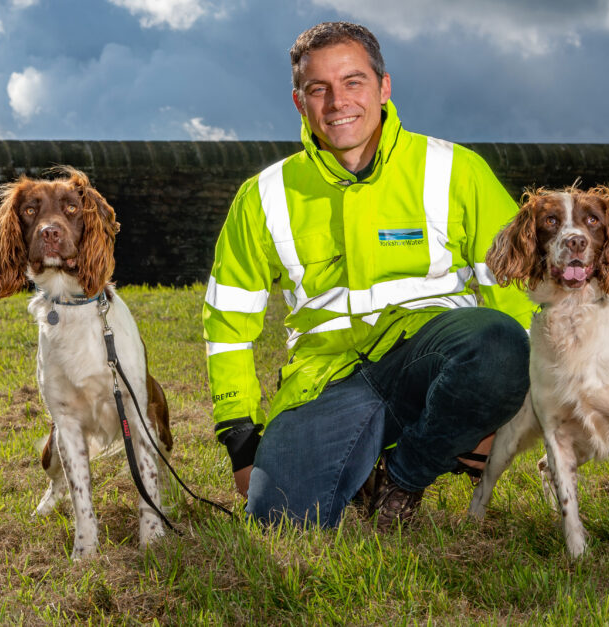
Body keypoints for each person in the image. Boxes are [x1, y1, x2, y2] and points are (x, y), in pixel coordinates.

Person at [202, 21, 533, 529]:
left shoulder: (456, 170)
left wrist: (498, 406)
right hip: (326, 381)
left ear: (383, 88)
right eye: (319, 89)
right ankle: (362, 468)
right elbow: (228, 323)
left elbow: (517, 295)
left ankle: (404, 477)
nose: (337, 102)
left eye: (353, 82)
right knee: (278, 518)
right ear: (299, 102)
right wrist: (242, 443)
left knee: (498, 341)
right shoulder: (263, 196)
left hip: (428, 359)